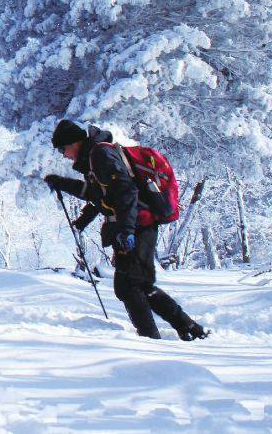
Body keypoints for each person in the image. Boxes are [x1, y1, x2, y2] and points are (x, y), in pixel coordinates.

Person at [45, 119, 208, 341]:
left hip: (138, 225)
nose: (64, 155)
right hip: (137, 225)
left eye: (63, 149)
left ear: (73, 142)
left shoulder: (100, 155)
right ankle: (187, 327)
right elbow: (100, 195)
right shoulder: (94, 158)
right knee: (138, 284)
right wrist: (64, 186)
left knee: (129, 285)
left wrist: (127, 230)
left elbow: (126, 192)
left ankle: (153, 339)